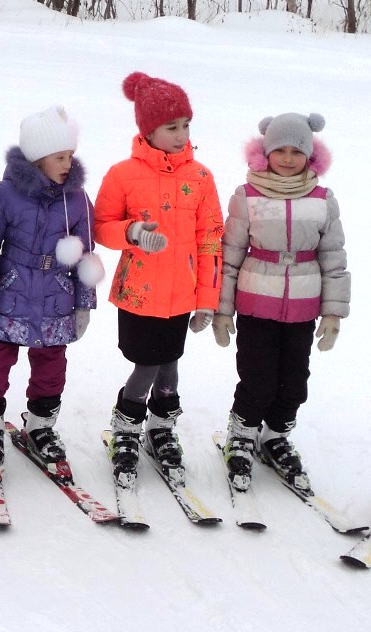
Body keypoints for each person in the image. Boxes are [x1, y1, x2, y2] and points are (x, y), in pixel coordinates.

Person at [93, 72, 223, 485]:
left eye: (186, 124)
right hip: (139, 293)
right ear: (148, 130)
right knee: (147, 363)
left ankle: (161, 427)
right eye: (172, 127)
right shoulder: (123, 174)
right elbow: (101, 226)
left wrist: (207, 298)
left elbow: (210, 238)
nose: (182, 134)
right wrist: (130, 232)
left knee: (169, 361)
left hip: (182, 294)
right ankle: (126, 428)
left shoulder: (200, 177)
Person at [0, 106, 104, 470]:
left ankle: (40, 425)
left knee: (51, 365)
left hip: (56, 295)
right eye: (59, 156)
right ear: (38, 158)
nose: (68, 163)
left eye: (70, 155)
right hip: (10, 291)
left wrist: (83, 302)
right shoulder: (4, 195)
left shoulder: (77, 200)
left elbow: (85, 253)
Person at [214, 112, 348, 492]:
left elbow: (334, 257)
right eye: (280, 151)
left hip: (303, 306)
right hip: (256, 303)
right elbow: (231, 254)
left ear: (311, 155)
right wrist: (223, 308)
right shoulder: (248, 196)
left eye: (296, 151)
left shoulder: (323, 199)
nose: (288, 159)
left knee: (293, 383)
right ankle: (241, 436)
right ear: (264, 153)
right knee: (257, 379)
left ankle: (274, 437)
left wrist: (333, 312)